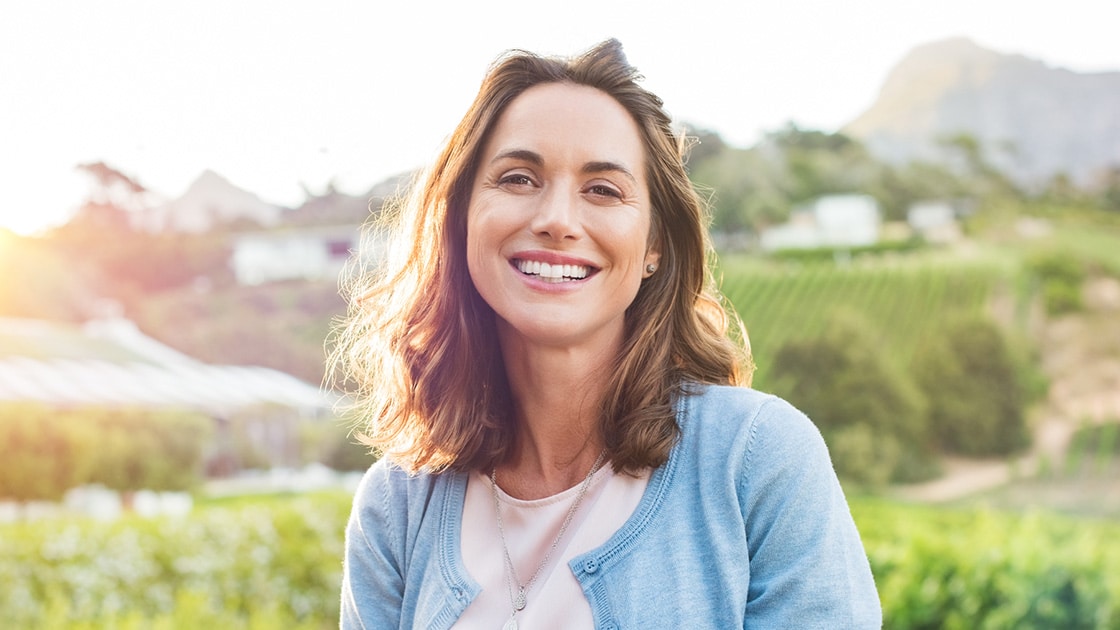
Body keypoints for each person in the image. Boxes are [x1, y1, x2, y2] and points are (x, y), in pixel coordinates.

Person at [331, 38, 881, 629]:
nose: (556, 221)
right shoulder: (397, 505)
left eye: (603, 190)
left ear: (653, 246)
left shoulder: (756, 459)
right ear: (461, 219)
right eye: (517, 178)